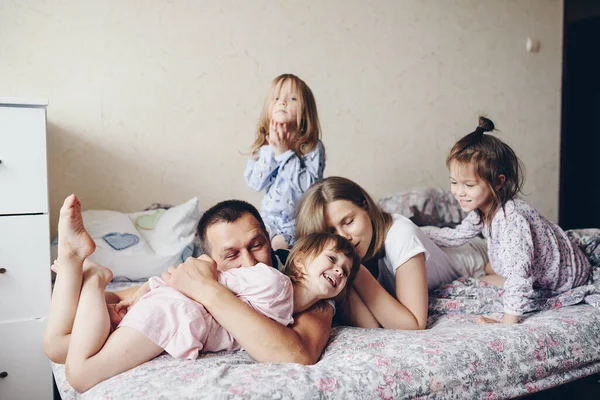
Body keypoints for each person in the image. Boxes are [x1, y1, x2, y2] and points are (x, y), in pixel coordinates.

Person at [44, 195, 359, 393]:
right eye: (232, 254)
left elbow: (297, 355)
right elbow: (121, 297)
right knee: (57, 347)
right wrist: (137, 294)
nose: (250, 261)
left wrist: (204, 289)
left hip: (175, 313)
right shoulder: (199, 271)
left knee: (71, 356)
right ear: (213, 259)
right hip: (168, 311)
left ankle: (79, 267)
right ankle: (74, 262)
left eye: (257, 245)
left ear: (268, 238)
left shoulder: (303, 283)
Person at [425, 117, 591, 325]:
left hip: (566, 280)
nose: (459, 192)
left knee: (481, 283)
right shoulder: (482, 210)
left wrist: (508, 322)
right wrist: (419, 233)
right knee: (486, 271)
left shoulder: (512, 221)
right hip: (534, 266)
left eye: (469, 185)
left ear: (498, 182)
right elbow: (456, 236)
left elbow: (518, 278)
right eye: (454, 182)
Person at [296, 176, 489, 330]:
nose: (344, 237)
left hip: (483, 258)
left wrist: (358, 272)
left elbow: (414, 324)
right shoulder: (340, 262)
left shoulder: (399, 234)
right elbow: (371, 327)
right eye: (331, 232)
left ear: (365, 207)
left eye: (348, 222)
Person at [245, 73, 326, 250]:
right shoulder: (264, 144)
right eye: (276, 98)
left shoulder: (311, 146)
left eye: (292, 98)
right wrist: (271, 151)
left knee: (278, 247)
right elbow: (255, 183)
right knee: (251, 244)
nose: (282, 102)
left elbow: (308, 188)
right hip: (267, 220)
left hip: (297, 223)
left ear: (305, 111)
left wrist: (285, 153)